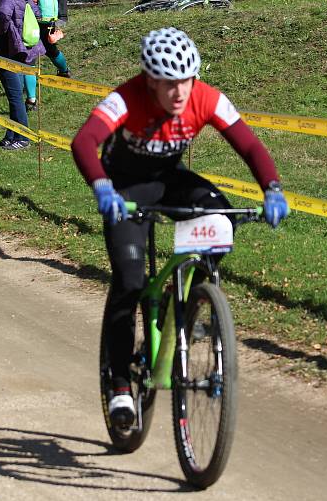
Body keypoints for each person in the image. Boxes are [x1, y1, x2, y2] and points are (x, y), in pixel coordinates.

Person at [70, 27, 289, 428]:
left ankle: (188, 301)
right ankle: (120, 384)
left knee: (222, 218)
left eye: (186, 80)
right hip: (124, 189)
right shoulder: (125, 98)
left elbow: (250, 145)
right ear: (150, 80)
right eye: (170, 83)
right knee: (130, 281)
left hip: (170, 179)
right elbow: (84, 142)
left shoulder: (206, 97)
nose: (180, 92)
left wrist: (271, 188)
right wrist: (101, 185)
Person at [0, 0, 45, 150]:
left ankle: (23, 137)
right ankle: (11, 134)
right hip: (23, 47)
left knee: (14, 96)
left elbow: (3, 14)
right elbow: (38, 14)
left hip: (8, 49)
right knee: (15, 94)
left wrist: (1, 30)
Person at [21, 0, 71, 112]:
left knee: (29, 58)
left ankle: (31, 99)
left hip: (33, 22)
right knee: (51, 49)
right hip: (48, 21)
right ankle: (65, 71)